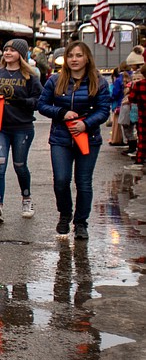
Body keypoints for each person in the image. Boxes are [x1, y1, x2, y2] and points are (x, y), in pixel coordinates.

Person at [37, 41, 112, 241]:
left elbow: (104, 110)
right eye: (71, 56)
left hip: (88, 138)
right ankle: (65, 214)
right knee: (61, 180)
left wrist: (86, 124)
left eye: (79, 55)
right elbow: (42, 105)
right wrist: (61, 112)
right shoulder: (55, 80)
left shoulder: (98, 81)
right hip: (61, 138)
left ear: (87, 58)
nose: (74, 59)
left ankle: (81, 223)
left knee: (84, 183)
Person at [0, 39, 43, 223]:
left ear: (21, 55)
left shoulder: (30, 76)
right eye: (6, 49)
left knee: (19, 165)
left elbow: (40, 100)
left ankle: (27, 199)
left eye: (12, 51)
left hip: (22, 127)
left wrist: (23, 102)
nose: (7, 53)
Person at [124, 64, 146, 170]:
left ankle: (140, 159)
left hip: (143, 115)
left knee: (142, 138)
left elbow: (131, 98)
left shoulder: (139, 85)